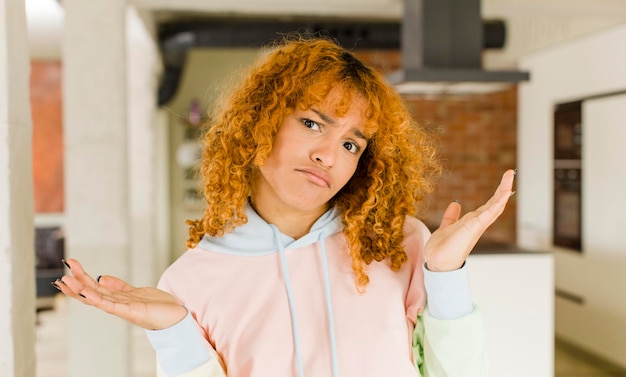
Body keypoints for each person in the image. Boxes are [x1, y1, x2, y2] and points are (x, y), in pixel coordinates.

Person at [55, 36, 516, 377]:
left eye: (352, 144)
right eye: (313, 123)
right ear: (261, 125)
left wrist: (446, 275)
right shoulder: (189, 282)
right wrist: (175, 332)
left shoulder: (399, 243)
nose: (329, 156)